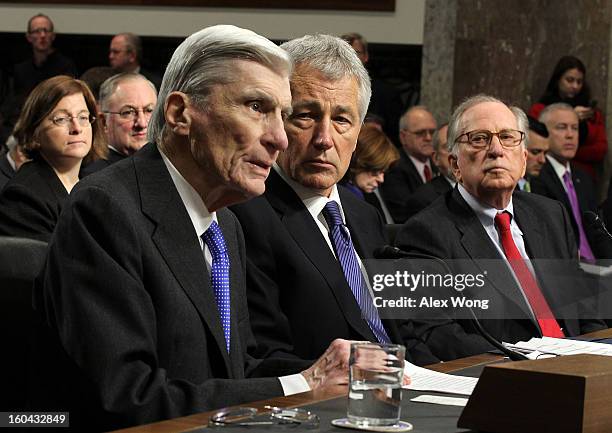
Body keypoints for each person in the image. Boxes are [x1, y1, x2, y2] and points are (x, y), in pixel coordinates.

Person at [30, 25, 352, 432]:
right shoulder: (106, 209)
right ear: (181, 114)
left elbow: (236, 367)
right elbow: (128, 397)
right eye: (257, 107)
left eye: (283, 116)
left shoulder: (226, 226)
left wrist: (337, 371)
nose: (279, 139)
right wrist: (298, 386)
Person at [231, 34, 439, 366]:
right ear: (274, 120)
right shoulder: (245, 214)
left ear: (359, 132)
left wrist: (444, 376)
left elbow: (403, 332)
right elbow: (263, 355)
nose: (324, 139)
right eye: (306, 116)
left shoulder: (363, 215)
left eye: (341, 120)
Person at [395, 95, 605, 361]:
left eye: (507, 137)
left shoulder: (551, 214)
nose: (496, 150)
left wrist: (595, 355)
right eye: (479, 139)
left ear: (524, 160)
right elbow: (437, 334)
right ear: (455, 165)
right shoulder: (426, 233)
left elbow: (584, 306)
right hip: (508, 377)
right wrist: (528, 360)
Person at [0, 75, 105, 242]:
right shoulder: (23, 197)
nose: (77, 128)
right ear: (34, 133)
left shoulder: (93, 182)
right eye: (61, 119)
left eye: (83, 117)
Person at [531, 103, 599, 262]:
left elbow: (597, 230)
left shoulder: (584, 178)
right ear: (544, 134)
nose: (570, 135)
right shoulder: (536, 175)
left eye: (574, 128)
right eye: (561, 127)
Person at [0, 14, 77, 145]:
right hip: (24, 124)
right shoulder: (21, 69)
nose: (42, 35)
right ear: (29, 37)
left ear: (53, 36)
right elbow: (13, 104)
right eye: (37, 31)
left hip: (54, 124)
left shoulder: (65, 66)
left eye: (46, 31)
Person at [528, 56, 607, 181]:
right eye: (570, 80)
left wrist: (568, 150)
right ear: (558, 80)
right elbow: (534, 143)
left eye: (579, 82)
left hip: (583, 178)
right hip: (547, 175)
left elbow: (600, 149)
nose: (575, 86)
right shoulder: (541, 109)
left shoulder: (592, 113)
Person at [81, 72, 157, 177]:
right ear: (103, 122)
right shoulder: (96, 177)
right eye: (128, 112)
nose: (142, 123)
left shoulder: (166, 166)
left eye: (149, 110)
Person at [341, 32, 403, 146]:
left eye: (357, 53)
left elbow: (396, 139)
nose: (351, 58)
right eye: (346, 53)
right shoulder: (327, 91)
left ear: (366, 57)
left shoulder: (386, 94)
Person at [381, 106, 438, 223]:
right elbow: (404, 215)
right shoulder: (394, 167)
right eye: (420, 133)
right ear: (403, 137)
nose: (428, 138)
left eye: (432, 132)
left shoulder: (439, 163)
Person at [341, 125, 399, 223]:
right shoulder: (339, 197)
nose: (381, 179)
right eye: (375, 171)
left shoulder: (369, 197)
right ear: (358, 162)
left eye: (383, 172)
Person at [403, 124, 455, 219]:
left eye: (460, 145)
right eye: (449, 147)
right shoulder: (423, 200)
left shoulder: (483, 187)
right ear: (435, 158)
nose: (456, 153)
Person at [519, 115, 549, 192]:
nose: (542, 160)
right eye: (535, 152)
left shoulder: (543, 187)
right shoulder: (501, 188)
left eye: (545, 153)